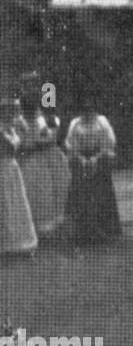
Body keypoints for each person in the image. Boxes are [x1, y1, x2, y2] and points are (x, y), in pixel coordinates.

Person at [16, 86, 70, 237]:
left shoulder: (44, 118)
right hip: (31, 160)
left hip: (46, 157)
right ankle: (34, 228)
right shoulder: (20, 121)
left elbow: (49, 135)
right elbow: (22, 142)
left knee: (54, 189)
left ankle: (54, 226)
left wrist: (43, 140)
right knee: (35, 191)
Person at [63, 108, 122, 245]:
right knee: (80, 190)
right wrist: (81, 159)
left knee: (101, 188)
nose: (87, 111)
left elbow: (108, 142)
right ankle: (82, 232)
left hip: (99, 159)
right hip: (80, 159)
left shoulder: (101, 122)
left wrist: (95, 158)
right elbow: (70, 144)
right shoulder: (75, 123)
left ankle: (105, 230)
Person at [0, 99, 37, 257]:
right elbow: (9, 146)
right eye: (7, 111)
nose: (10, 114)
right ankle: (5, 245)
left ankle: (21, 244)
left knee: (16, 204)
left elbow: (18, 146)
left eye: (12, 111)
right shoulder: (3, 130)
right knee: (4, 204)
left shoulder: (11, 128)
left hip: (12, 168)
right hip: (2, 168)